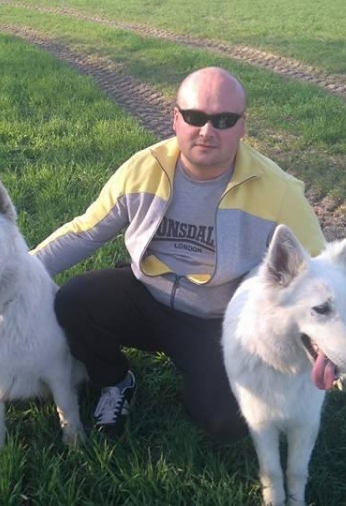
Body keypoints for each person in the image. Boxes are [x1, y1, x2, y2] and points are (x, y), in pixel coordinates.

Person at [32, 66, 326, 443]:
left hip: (218, 321)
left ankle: (204, 385)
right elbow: (86, 231)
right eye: (195, 117)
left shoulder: (278, 191)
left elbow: (320, 272)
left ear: (242, 126)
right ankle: (115, 381)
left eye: (223, 120)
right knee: (75, 299)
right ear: (175, 119)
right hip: (147, 296)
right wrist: (16, 270)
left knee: (228, 422)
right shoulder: (144, 168)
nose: (207, 131)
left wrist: (321, 341)